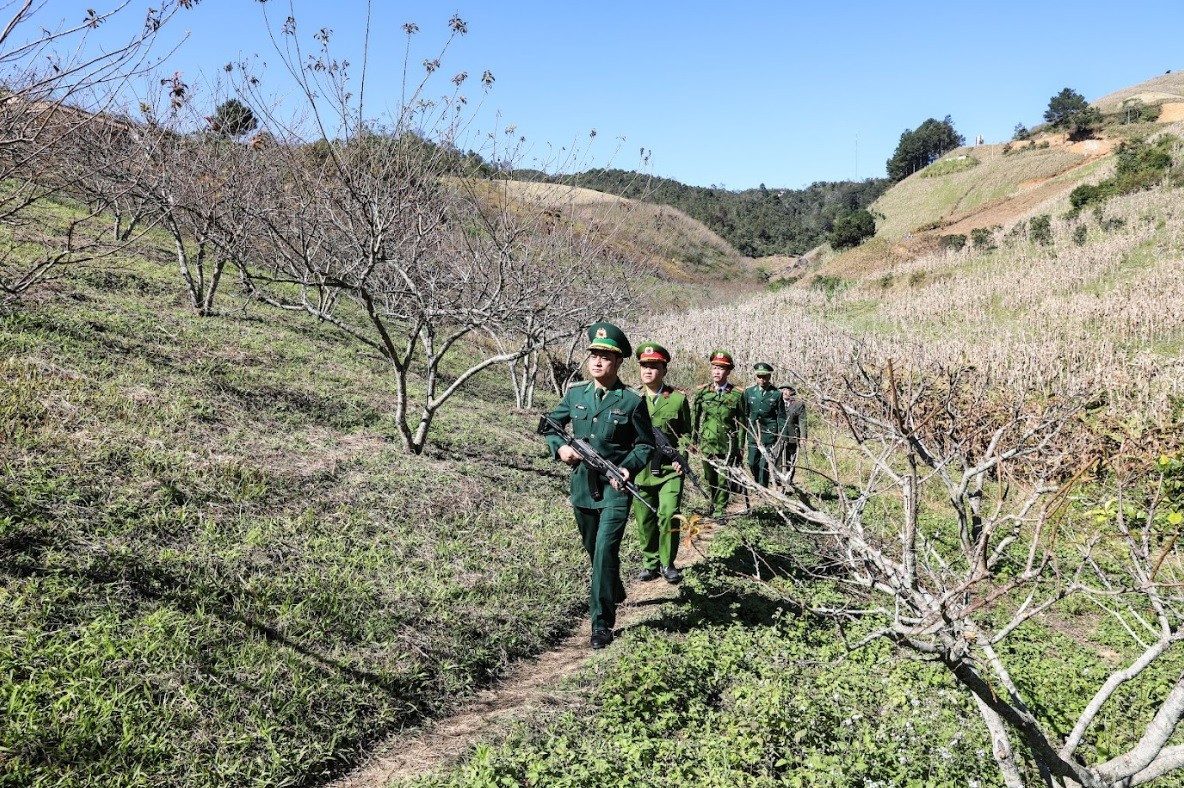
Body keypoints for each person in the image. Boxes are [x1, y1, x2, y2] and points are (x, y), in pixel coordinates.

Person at [544, 322, 654, 650]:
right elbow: (549, 424)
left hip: (614, 490)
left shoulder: (631, 402)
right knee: (594, 550)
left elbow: (646, 445)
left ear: (618, 362)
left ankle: (601, 623)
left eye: (605, 357)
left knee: (605, 551)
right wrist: (559, 448)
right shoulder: (575, 393)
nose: (597, 361)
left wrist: (626, 468)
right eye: (594, 354)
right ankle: (613, 586)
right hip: (581, 487)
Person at [631, 342, 691, 585]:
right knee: (644, 519)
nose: (648, 370)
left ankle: (668, 563)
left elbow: (686, 435)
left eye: (654, 366)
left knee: (669, 514)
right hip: (640, 470)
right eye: (645, 366)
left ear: (664, 370)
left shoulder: (676, 400)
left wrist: (682, 459)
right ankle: (650, 563)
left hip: (669, 470)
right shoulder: (630, 398)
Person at [691, 349, 747, 519]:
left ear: (728, 371)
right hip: (707, 442)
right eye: (714, 367)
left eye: (721, 368)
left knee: (724, 478)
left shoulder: (737, 394)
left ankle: (720, 510)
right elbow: (695, 418)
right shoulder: (703, 392)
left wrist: (740, 446)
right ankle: (713, 503)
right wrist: (693, 441)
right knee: (710, 477)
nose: (716, 371)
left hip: (726, 443)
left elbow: (742, 422)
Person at [744, 362, 786, 487]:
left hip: (769, 433)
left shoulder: (776, 394)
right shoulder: (749, 392)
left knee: (764, 463)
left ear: (769, 377)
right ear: (756, 377)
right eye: (759, 376)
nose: (762, 379)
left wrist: (781, 435)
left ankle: (763, 487)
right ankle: (757, 481)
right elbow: (745, 412)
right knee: (752, 462)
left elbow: (781, 416)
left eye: (765, 376)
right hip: (753, 432)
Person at [778, 385, 808, 485]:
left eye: (788, 390)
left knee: (791, 458)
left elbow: (802, 421)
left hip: (792, 435)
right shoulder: (776, 402)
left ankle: (789, 478)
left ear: (792, 392)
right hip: (778, 435)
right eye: (784, 390)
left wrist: (803, 436)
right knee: (777, 456)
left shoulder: (798, 404)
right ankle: (777, 479)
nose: (786, 392)